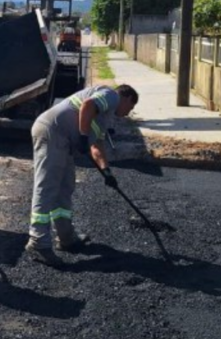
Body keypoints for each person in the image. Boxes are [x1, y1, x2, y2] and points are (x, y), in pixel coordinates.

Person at [25, 84, 139, 266]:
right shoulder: (112, 96)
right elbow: (87, 105)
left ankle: (66, 237)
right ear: (126, 98)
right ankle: (38, 243)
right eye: (131, 107)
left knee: (65, 187)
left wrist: (106, 171)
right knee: (47, 188)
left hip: (64, 141)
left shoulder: (106, 115)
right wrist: (83, 136)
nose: (128, 113)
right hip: (52, 132)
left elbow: (97, 146)